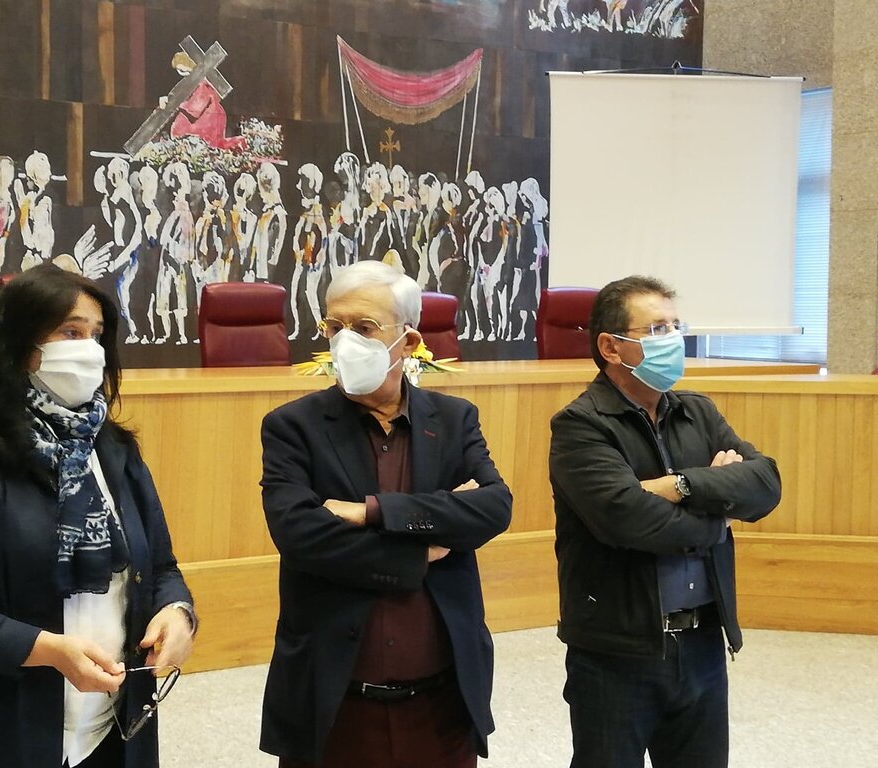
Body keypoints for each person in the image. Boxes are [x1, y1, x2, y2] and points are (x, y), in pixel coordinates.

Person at [0, 263, 196, 768]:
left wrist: (179, 613)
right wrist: (46, 648)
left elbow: (161, 567)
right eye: (70, 332)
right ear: (19, 344)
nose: (89, 349)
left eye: (97, 335)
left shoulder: (113, 448)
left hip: (110, 728)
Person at [259, 260, 513, 767]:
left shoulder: (455, 419)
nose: (344, 341)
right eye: (334, 326)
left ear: (410, 341)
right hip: (336, 701)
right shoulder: (293, 426)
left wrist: (373, 512)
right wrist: (420, 552)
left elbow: (493, 506)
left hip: (441, 704)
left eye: (364, 327)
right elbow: (300, 533)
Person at [548, 275, 782, 768]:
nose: (673, 339)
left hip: (703, 642)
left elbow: (765, 485)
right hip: (618, 650)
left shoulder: (697, 412)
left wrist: (680, 485)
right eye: (657, 329)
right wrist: (717, 516)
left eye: (676, 326)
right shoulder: (581, 425)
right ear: (611, 347)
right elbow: (628, 520)